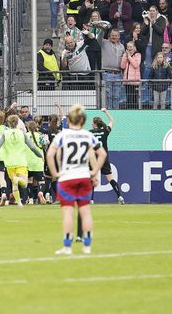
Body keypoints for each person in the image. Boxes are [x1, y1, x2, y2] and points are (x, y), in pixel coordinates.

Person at [47, 103, 104, 256]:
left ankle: (67, 247)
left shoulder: (62, 135)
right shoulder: (88, 135)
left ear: (69, 120)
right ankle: (87, 246)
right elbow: (102, 154)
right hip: (84, 176)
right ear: (83, 121)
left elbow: (50, 154)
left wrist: (55, 173)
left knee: (68, 214)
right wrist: (94, 172)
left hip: (66, 177)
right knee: (85, 212)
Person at [0, 114, 42, 207]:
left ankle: (19, 203)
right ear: (18, 123)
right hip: (21, 161)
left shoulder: (5, 133)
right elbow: (32, 147)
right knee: (24, 184)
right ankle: (17, 181)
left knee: (14, 184)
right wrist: (39, 155)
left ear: (8, 123)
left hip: (9, 163)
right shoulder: (22, 133)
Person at [90, 109, 125, 203]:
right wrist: (106, 112)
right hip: (104, 158)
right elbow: (112, 121)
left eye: (92, 122)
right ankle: (120, 197)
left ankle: (91, 200)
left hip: (94, 158)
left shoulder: (90, 133)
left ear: (94, 123)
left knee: (92, 178)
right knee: (110, 178)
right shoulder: (105, 130)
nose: (91, 123)